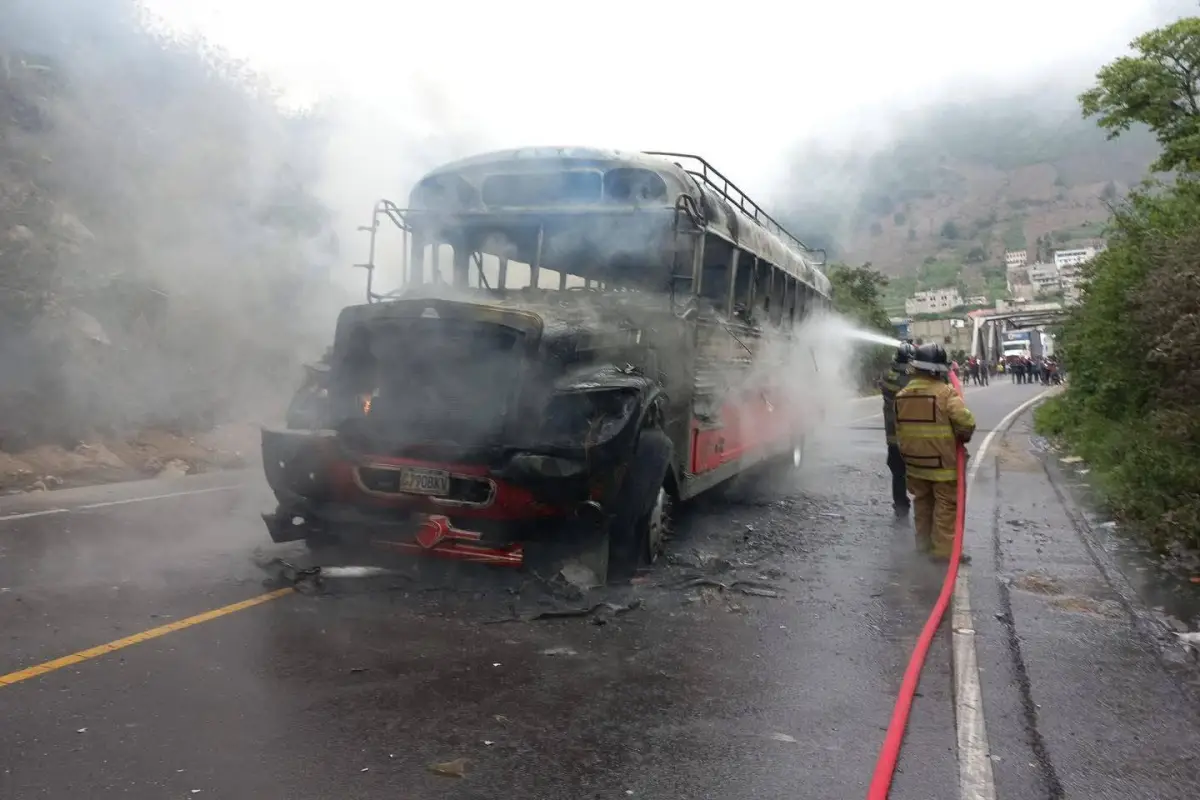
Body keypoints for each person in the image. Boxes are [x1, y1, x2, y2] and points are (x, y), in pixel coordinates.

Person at [894, 343, 977, 560]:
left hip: (915, 464)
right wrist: (963, 436)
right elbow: (965, 422)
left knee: (922, 504)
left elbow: (899, 428)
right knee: (946, 507)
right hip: (942, 465)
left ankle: (923, 546)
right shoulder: (945, 393)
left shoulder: (901, 395)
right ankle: (944, 553)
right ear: (936, 370)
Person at [879, 343, 916, 516]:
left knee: (897, 471)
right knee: (920, 470)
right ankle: (925, 503)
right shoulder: (913, 377)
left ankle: (900, 502)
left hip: (893, 434)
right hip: (913, 435)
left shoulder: (888, 375)